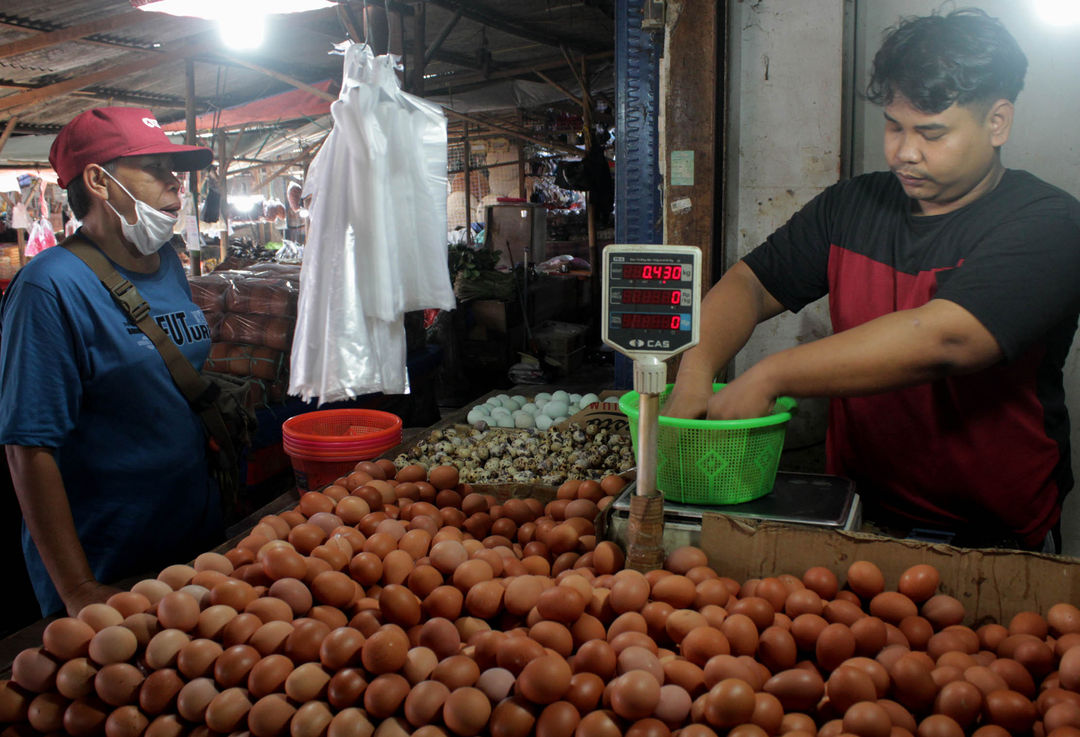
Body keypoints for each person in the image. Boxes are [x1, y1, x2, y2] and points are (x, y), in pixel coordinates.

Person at [664, 9, 1080, 552]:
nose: (903, 152)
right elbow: (749, 284)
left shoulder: (1049, 224)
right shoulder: (852, 205)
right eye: (894, 125)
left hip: (993, 535)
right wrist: (696, 370)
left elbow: (947, 338)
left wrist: (770, 375)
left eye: (931, 133)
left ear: (997, 122)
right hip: (859, 512)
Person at [0, 107, 222, 616]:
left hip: (191, 535)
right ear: (99, 180)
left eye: (176, 171)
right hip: (111, 563)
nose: (176, 184)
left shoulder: (167, 261)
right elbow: (28, 448)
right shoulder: (48, 288)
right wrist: (78, 590)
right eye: (157, 168)